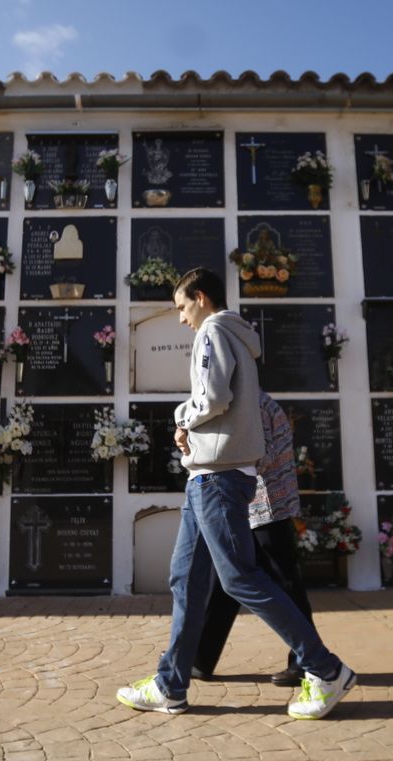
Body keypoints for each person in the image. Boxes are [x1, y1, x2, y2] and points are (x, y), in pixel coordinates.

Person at [117, 268, 357, 720]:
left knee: (240, 578)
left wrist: (182, 418)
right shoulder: (237, 336)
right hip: (206, 474)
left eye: (183, 306)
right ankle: (171, 685)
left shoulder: (213, 331)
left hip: (218, 475)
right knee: (185, 578)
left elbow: (213, 397)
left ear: (201, 298)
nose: (182, 318)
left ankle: (325, 670)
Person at [191, 390, 313, 687]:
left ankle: (306, 662)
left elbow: (260, 455)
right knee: (227, 579)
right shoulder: (254, 403)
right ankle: (201, 658)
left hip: (265, 504)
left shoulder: (254, 406)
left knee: (286, 584)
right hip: (248, 504)